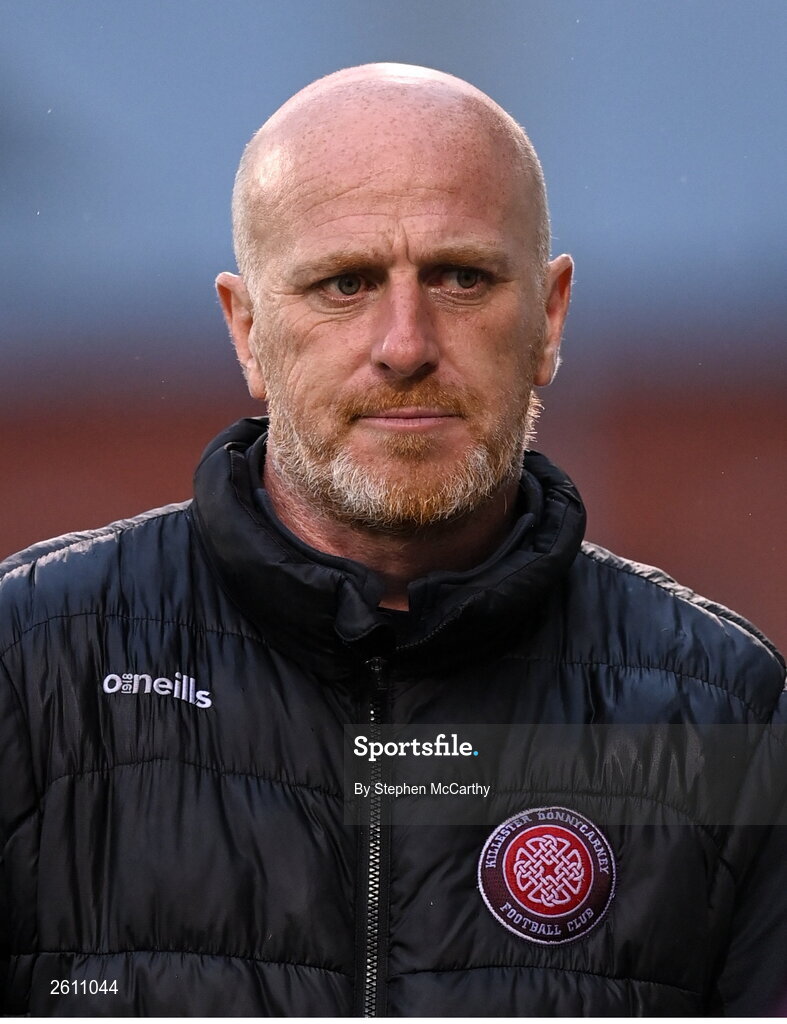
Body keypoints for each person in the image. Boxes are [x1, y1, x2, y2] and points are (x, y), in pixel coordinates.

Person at [0, 63, 784, 1017]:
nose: (405, 343)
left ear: (548, 316)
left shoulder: (729, 713)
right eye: (345, 283)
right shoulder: (33, 669)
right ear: (246, 330)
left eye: (461, 278)